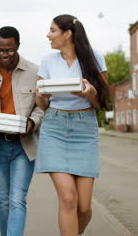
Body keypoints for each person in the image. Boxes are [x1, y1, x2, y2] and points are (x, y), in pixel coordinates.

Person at [35, 15, 110, 236]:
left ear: (68, 34)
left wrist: (91, 94)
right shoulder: (48, 61)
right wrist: (41, 94)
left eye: (52, 30)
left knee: (84, 208)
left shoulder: (95, 58)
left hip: (84, 129)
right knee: (68, 198)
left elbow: (102, 104)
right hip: (54, 128)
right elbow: (41, 104)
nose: (48, 35)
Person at [0, 26, 44, 236]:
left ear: (18, 46)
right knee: (3, 199)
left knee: (17, 198)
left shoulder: (35, 72)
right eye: (0, 50)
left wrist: (32, 122)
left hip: (24, 144)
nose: (5, 55)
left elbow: (42, 106)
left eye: (10, 50)